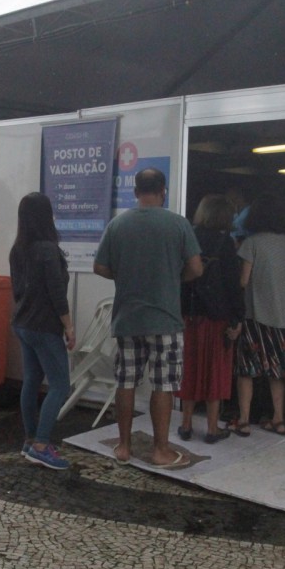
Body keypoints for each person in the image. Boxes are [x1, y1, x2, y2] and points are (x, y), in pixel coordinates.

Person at [94, 168, 202, 468]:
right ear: (163, 191)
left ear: (136, 191)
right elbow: (196, 268)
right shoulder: (178, 224)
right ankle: (160, 450)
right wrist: (172, 278)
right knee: (163, 385)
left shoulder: (118, 224)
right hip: (165, 319)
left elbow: (99, 267)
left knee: (126, 382)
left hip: (128, 319)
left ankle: (124, 447)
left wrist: (125, 275)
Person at [9, 193, 75, 470]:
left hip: (23, 324)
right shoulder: (48, 249)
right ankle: (41, 445)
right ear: (46, 217)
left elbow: (17, 290)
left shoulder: (18, 249)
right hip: (45, 327)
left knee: (32, 381)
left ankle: (30, 439)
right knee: (61, 385)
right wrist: (69, 326)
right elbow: (57, 293)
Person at [176, 194, 245, 443]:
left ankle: (185, 425)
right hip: (217, 317)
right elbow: (233, 285)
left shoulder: (187, 237)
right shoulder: (225, 243)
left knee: (190, 368)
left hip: (189, 316)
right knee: (216, 370)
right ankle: (213, 428)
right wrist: (237, 318)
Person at [232, 194, 285, 437]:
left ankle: (244, 420)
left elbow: (243, 280)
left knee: (247, 369)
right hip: (282, 316)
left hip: (254, 315)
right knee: (277, 371)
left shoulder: (251, 242)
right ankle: (279, 419)